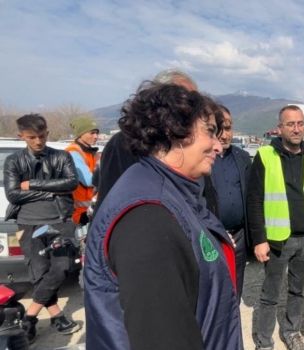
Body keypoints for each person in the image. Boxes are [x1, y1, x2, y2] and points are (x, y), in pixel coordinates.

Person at [84, 83, 242, 350]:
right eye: (210, 132)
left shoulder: (171, 192)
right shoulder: (148, 218)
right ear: (173, 129)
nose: (218, 145)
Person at [248, 105, 304, 350]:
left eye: (300, 123)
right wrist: (259, 239)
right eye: (290, 124)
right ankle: (264, 341)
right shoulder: (264, 156)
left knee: (297, 291)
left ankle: (292, 332)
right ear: (280, 128)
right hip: (276, 240)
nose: (296, 128)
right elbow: (254, 199)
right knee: (270, 294)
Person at [3, 114, 81, 342]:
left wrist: (33, 185)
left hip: (59, 219)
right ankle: (57, 316)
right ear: (22, 137)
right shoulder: (14, 161)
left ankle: (29, 316)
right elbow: (13, 193)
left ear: (47, 133)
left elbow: (71, 183)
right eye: (32, 137)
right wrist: (51, 190)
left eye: (42, 135)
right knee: (38, 271)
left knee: (63, 267)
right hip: (28, 222)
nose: (38, 141)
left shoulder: (62, 156)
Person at [95, 68, 198, 209]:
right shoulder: (123, 143)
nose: (193, 108)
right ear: (158, 99)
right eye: (184, 99)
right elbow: (112, 199)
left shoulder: (191, 144)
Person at [211, 105, 251, 299]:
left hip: (239, 236)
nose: (225, 135)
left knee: (236, 289)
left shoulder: (242, 158)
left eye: (229, 128)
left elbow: (252, 197)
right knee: (215, 291)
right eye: (221, 128)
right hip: (211, 238)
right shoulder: (202, 159)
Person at [65, 116, 99, 225]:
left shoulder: (90, 152)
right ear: (80, 134)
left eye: (97, 133)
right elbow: (89, 180)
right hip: (81, 214)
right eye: (92, 133)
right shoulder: (73, 152)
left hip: (92, 209)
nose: (96, 136)